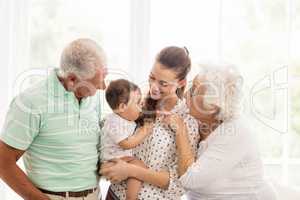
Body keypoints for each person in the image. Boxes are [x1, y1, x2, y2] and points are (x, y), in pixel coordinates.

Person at [0, 38, 107, 200]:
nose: (103, 87)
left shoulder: (93, 98)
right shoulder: (30, 102)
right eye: (96, 83)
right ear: (72, 80)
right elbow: (3, 163)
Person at [163, 63, 278, 200]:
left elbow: (190, 180)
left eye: (193, 91)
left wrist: (180, 130)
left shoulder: (236, 132)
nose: (186, 93)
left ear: (212, 106)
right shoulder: (194, 116)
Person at [101, 46, 200, 200]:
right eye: (152, 77)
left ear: (181, 83)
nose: (154, 87)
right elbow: (113, 134)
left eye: (163, 84)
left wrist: (130, 170)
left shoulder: (187, 120)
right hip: (114, 194)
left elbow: (178, 183)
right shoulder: (138, 103)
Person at [101, 79, 153, 200]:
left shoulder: (125, 117)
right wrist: (144, 131)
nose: (141, 107)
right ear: (122, 107)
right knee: (138, 165)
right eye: (138, 103)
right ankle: (131, 197)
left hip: (118, 157)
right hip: (112, 160)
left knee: (136, 166)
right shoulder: (113, 122)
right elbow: (126, 144)